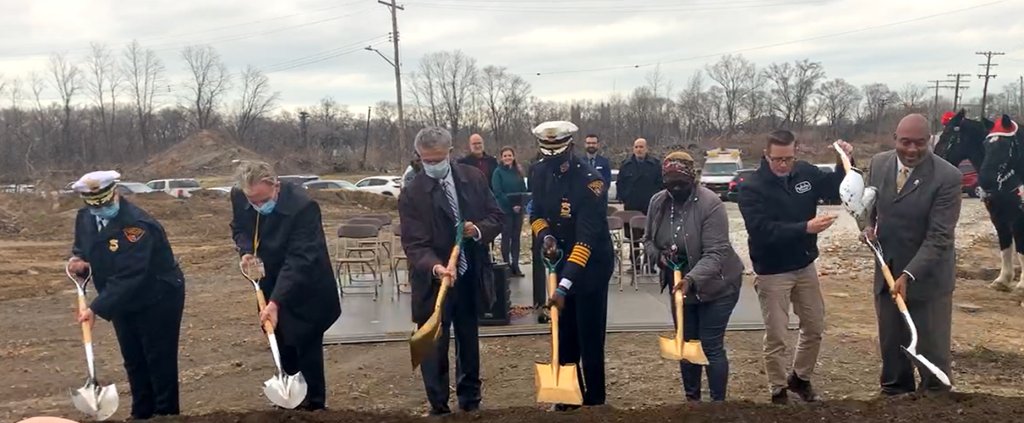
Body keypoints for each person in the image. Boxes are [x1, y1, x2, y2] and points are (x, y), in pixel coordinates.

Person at [737, 130, 853, 404]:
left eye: (788, 158)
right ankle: (778, 389)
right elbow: (762, 230)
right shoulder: (751, 187)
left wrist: (845, 160)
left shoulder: (805, 174)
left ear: (795, 153)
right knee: (777, 334)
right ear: (766, 155)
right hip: (772, 270)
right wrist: (806, 227)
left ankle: (800, 378)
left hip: (804, 264)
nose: (783, 164)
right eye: (777, 159)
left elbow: (836, 187)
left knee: (814, 325)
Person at [399, 126, 503, 416]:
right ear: (419, 157)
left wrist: (478, 229)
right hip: (433, 281)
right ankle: (439, 405)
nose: (432, 165)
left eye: (437, 159)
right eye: (426, 161)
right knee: (434, 344)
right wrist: (437, 267)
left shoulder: (473, 178)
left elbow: (496, 216)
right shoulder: (412, 193)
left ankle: (470, 401)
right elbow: (414, 243)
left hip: (469, 274)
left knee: (468, 339)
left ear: (450, 153)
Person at [68, 170, 185, 420]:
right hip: (120, 297)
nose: (101, 209)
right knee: (133, 357)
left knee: (157, 357)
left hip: (157, 296)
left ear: (116, 193)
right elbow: (82, 248)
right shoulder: (85, 217)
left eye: (106, 203)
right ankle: (142, 413)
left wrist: (96, 308)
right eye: (94, 205)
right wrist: (77, 260)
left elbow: (131, 274)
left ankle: (165, 414)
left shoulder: (137, 226)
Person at [229, 161, 341, 411]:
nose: (258, 206)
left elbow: (300, 258)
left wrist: (277, 301)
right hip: (269, 280)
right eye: (252, 202)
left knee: (306, 344)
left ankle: (314, 405)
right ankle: (290, 399)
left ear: (276, 186)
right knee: (279, 338)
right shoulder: (241, 195)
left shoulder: (303, 207)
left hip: (307, 285)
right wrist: (246, 250)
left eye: (263, 199)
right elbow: (239, 227)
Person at [863, 113, 961, 396]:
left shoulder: (947, 177)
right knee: (892, 352)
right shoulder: (879, 164)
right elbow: (871, 209)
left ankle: (935, 402)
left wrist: (909, 274)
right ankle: (894, 398)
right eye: (905, 142)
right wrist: (868, 227)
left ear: (929, 141)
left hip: (928, 281)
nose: (912, 149)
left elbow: (940, 236)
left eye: (920, 143)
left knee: (931, 353)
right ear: (895, 139)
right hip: (887, 273)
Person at [642, 152, 744, 402]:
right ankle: (692, 402)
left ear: (693, 179)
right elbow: (647, 241)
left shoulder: (710, 204)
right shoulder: (658, 202)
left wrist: (691, 278)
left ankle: (717, 404)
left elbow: (716, 252)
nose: (676, 188)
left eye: (682, 184)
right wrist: (660, 257)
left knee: (710, 344)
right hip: (680, 285)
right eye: (670, 183)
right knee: (687, 343)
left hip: (717, 284)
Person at [528, 120, 614, 409]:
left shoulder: (591, 182)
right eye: (546, 155)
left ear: (570, 148)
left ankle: (595, 402)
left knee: (589, 338)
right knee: (563, 335)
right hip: (559, 260)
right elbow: (536, 213)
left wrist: (564, 286)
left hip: (591, 268)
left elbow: (586, 240)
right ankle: (568, 397)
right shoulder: (538, 172)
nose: (552, 162)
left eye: (558, 156)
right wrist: (546, 235)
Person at [491, 146, 528, 277]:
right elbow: (498, 192)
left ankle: (516, 265)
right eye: (505, 156)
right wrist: (511, 205)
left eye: (510, 155)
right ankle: (506, 264)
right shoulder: (498, 172)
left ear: (513, 156)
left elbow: (524, 189)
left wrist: (520, 204)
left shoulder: (518, 171)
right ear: (502, 158)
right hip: (505, 210)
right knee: (506, 238)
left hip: (518, 210)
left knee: (516, 238)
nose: (508, 158)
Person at [616, 138, 662, 213]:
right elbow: (620, 183)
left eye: (641, 147)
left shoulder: (655, 165)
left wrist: (655, 198)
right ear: (633, 149)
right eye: (636, 147)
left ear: (646, 149)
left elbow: (660, 184)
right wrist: (624, 197)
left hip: (649, 205)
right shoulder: (626, 165)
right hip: (631, 205)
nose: (638, 149)